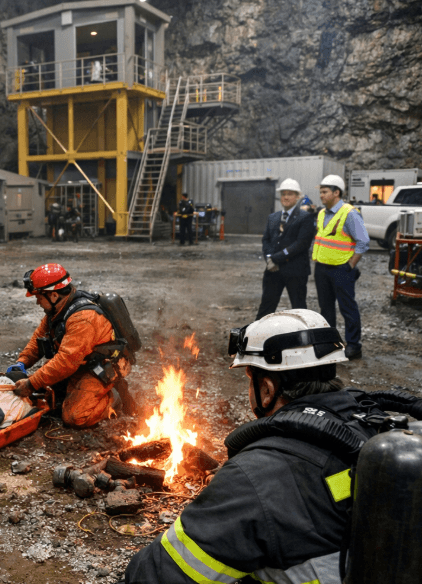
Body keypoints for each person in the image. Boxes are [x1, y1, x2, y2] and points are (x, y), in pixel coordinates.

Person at [123, 309, 383, 583]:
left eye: (251, 379)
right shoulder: (374, 425)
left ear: (268, 390)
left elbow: (154, 575)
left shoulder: (257, 477)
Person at [8, 263, 135, 428]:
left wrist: (31, 383)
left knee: (75, 417)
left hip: (99, 368)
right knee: (49, 396)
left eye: (38, 297)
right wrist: (22, 362)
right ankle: (78, 391)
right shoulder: (57, 311)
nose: (37, 302)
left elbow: (65, 362)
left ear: (53, 295)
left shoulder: (83, 318)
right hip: (80, 363)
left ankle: (115, 398)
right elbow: (39, 339)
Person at [313, 174, 369, 361]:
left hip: (341, 270)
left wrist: (350, 265)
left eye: (324, 192)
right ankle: (330, 343)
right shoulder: (321, 213)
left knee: (347, 308)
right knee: (326, 308)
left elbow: (363, 241)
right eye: (320, 192)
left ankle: (353, 345)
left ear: (336, 193)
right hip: (322, 269)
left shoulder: (350, 213)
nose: (321, 195)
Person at [255, 178, 316, 319]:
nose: (286, 197)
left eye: (290, 194)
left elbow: (301, 244)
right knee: (266, 308)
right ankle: (259, 338)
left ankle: (303, 339)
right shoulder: (273, 217)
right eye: (283, 194)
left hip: (295, 271)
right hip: (273, 270)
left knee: (299, 309)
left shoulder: (305, 218)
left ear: (297, 197)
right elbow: (266, 240)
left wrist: (275, 258)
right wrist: (269, 259)